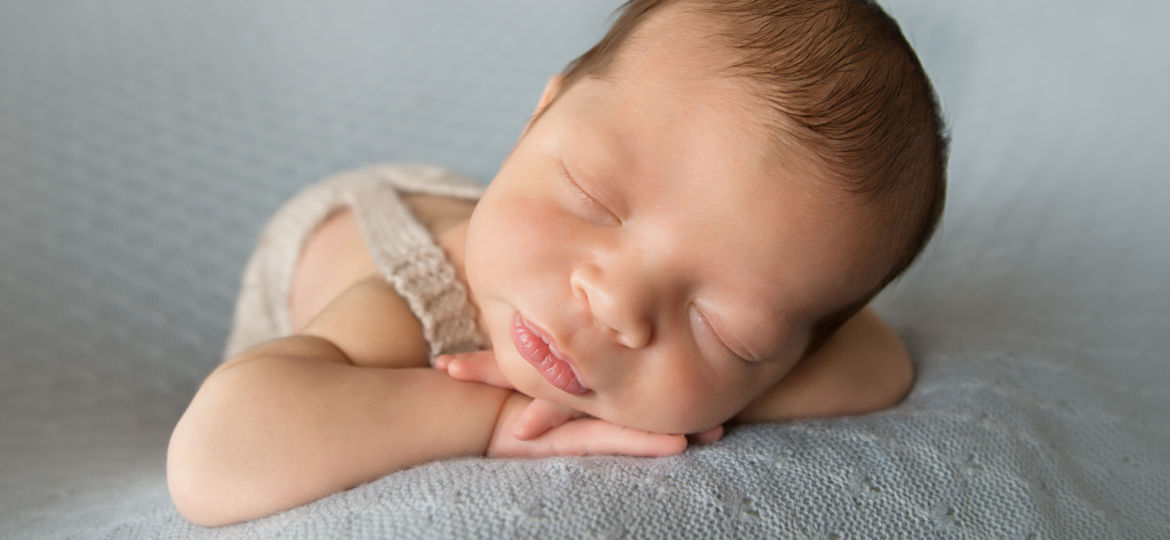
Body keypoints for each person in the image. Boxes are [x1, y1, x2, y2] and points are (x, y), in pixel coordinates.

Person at [168, 0, 947, 527]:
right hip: (349, 232)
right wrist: (498, 419)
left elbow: (877, 364)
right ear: (540, 113)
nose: (613, 305)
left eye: (723, 328)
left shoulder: (576, 269)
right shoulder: (413, 303)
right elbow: (216, 458)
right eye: (592, 198)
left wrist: (676, 396)